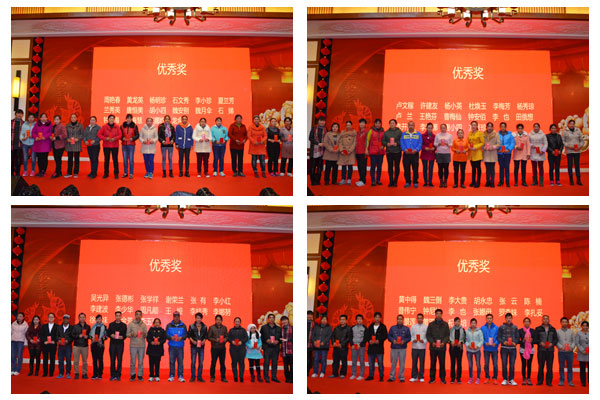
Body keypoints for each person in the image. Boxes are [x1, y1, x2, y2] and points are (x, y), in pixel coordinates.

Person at [426, 308, 449, 384]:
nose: (438, 315)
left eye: (439, 313)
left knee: (442, 363)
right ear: (435, 314)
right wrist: (432, 342)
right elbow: (428, 335)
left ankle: (442, 378)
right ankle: (432, 378)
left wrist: (444, 342)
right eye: (437, 313)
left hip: (442, 347)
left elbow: (447, 335)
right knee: (433, 363)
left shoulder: (445, 324)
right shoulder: (431, 324)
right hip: (433, 347)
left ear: (441, 314)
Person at [535, 315, 558, 386]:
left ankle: (549, 381)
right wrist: (540, 343)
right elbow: (535, 339)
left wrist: (552, 344)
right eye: (544, 319)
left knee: (549, 366)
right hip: (541, 350)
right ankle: (540, 381)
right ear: (542, 320)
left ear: (549, 320)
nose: (545, 320)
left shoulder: (553, 329)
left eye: (547, 319)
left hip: (550, 350)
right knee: (541, 366)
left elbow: (556, 339)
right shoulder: (538, 328)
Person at [387, 314, 411, 382]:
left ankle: (401, 377)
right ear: (396, 320)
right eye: (398, 319)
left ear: (403, 320)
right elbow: (389, 336)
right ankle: (392, 377)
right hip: (394, 348)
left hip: (402, 348)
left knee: (402, 363)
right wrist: (392, 340)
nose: (399, 320)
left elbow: (409, 337)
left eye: (401, 319)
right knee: (393, 363)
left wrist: (404, 341)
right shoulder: (392, 328)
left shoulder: (406, 328)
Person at [498, 312, 519, 386]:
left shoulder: (515, 327)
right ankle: (504, 379)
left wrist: (515, 342)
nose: (508, 319)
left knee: (512, 365)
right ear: (505, 319)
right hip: (504, 348)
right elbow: (498, 337)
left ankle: (511, 379)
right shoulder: (501, 327)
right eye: (507, 318)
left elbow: (517, 337)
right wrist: (503, 341)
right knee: (504, 364)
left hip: (513, 348)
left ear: (512, 319)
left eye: (510, 318)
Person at [98, 114, 122, 179]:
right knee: (106, 160)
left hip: (115, 145)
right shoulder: (104, 126)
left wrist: (115, 138)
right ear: (108, 119)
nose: (111, 120)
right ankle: (106, 173)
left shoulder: (117, 126)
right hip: (106, 145)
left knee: (115, 160)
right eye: (110, 118)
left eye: (112, 118)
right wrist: (105, 138)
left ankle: (116, 173)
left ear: (114, 119)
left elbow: (120, 135)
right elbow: (99, 134)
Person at [365, 311, 387, 382]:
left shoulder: (383, 327)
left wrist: (379, 340)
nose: (377, 319)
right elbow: (367, 335)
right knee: (371, 363)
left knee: (380, 363)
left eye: (378, 317)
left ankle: (381, 376)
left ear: (380, 318)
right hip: (371, 348)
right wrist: (369, 340)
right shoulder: (370, 326)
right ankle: (371, 376)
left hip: (379, 348)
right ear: (374, 318)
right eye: (376, 317)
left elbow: (385, 336)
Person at [261, 313, 282, 383]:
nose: (271, 319)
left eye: (273, 317)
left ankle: (274, 377)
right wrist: (266, 340)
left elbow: (281, 337)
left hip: (275, 348)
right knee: (266, 362)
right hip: (267, 348)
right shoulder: (263, 327)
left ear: (274, 319)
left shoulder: (278, 328)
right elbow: (261, 337)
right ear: (268, 319)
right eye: (270, 317)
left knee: (275, 363)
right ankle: (266, 377)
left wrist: (278, 341)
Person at [165, 311, 187, 382]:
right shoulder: (169, 325)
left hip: (180, 346)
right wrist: (171, 337)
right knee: (172, 361)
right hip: (172, 346)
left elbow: (186, 335)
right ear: (173, 317)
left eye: (177, 316)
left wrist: (181, 337)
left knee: (180, 362)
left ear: (179, 317)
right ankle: (172, 375)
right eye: (175, 316)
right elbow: (166, 335)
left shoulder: (183, 325)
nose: (176, 318)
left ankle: (180, 376)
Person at [127, 310, 147, 381]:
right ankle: (132, 375)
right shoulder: (131, 324)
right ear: (135, 315)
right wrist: (132, 334)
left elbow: (146, 335)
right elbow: (127, 334)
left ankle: (140, 375)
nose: (138, 316)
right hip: (133, 345)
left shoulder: (144, 325)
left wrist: (144, 334)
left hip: (141, 346)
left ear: (141, 316)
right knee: (133, 361)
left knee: (140, 362)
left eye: (139, 315)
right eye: (137, 314)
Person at [563, 119, 584, 185]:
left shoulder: (578, 130)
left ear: (574, 124)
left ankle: (578, 180)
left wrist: (579, 146)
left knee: (577, 165)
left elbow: (582, 140)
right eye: (570, 124)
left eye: (573, 124)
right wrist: (568, 146)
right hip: (569, 151)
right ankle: (571, 180)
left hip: (577, 151)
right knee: (570, 165)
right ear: (568, 124)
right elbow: (563, 141)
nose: (572, 125)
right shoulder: (565, 131)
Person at [401, 120, 422, 188]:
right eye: (409, 125)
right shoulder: (404, 134)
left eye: (412, 125)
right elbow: (402, 143)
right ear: (407, 126)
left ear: (414, 126)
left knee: (415, 168)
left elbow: (420, 143)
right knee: (406, 168)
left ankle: (415, 182)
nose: (411, 126)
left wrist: (416, 150)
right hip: (406, 154)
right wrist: (404, 149)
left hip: (414, 154)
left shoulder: (418, 134)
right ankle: (408, 182)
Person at [107, 310, 127, 381]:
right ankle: (112, 375)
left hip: (120, 344)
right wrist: (111, 335)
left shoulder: (124, 325)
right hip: (112, 344)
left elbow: (125, 334)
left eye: (119, 316)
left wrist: (122, 337)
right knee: (112, 360)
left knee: (119, 360)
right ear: (115, 316)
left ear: (121, 316)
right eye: (117, 316)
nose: (118, 317)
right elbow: (108, 333)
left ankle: (118, 375)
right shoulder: (111, 324)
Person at [207, 314, 228, 382]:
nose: (218, 321)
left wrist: (225, 339)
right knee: (213, 363)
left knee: (222, 363)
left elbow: (227, 336)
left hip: (222, 348)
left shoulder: (224, 328)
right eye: (217, 320)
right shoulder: (211, 327)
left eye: (220, 320)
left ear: (222, 321)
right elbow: (208, 337)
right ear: (215, 320)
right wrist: (215, 340)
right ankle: (212, 377)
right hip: (214, 348)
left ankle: (223, 377)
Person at [330, 314, 352, 378]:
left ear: (346, 320)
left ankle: (343, 374)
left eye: (343, 319)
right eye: (341, 319)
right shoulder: (336, 328)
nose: (342, 321)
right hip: (336, 347)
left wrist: (342, 344)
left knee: (344, 361)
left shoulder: (348, 329)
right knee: (335, 361)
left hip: (343, 348)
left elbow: (349, 338)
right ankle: (335, 373)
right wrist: (333, 342)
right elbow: (333, 336)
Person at [188, 312, 207, 382]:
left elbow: (206, 336)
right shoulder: (191, 326)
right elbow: (188, 335)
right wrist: (192, 340)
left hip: (201, 347)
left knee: (201, 362)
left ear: (201, 319)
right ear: (195, 318)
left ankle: (199, 376)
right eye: (197, 318)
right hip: (193, 346)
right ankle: (193, 376)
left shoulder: (204, 327)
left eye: (200, 318)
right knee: (193, 362)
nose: (198, 319)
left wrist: (204, 340)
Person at [63, 113, 83, 178]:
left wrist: (78, 138)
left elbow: (82, 135)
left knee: (77, 159)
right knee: (70, 159)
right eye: (72, 117)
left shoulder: (80, 126)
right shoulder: (67, 125)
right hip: (69, 144)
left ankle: (76, 172)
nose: (73, 118)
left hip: (77, 144)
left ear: (76, 118)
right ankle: (69, 173)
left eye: (74, 117)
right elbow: (65, 134)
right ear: (70, 118)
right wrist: (67, 139)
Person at [383, 119, 402, 187]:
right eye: (391, 123)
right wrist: (386, 144)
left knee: (397, 166)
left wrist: (397, 143)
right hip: (389, 152)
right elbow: (383, 141)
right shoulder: (386, 132)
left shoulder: (399, 132)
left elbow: (402, 141)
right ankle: (391, 181)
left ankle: (395, 181)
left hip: (397, 151)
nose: (392, 124)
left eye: (393, 123)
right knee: (390, 167)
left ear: (396, 124)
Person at [71, 312, 90, 380]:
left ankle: (84, 373)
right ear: (78, 318)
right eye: (81, 317)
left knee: (84, 361)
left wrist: (87, 337)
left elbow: (90, 335)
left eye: (83, 317)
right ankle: (76, 373)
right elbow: (72, 335)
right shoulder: (75, 326)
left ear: (85, 318)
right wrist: (78, 336)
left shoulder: (88, 327)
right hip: (76, 346)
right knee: (76, 361)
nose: (82, 318)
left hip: (85, 346)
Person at [366, 119, 385, 186]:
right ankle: (373, 181)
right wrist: (366, 149)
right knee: (373, 167)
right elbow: (367, 140)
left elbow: (385, 141)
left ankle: (378, 180)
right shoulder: (371, 131)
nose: (378, 124)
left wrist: (383, 145)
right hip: (373, 152)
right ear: (374, 124)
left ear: (381, 124)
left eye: (379, 123)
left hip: (380, 152)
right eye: (376, 123)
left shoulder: (383, 132)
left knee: (379, 167)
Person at [228, 317, 248, 382]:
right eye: (236, 321)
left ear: (240, 322)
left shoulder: (243, 330)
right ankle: (235, 376)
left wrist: (241, 342)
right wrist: (232, 341)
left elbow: (246, 338)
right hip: (233, 348)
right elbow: (228, 338)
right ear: (234, 322)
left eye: (238, 321)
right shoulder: (231, 330)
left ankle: (241, 376)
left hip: (241, 348)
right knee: (234, 362)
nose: (237, 323)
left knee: (241, 362)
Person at [557, 316, 575, 386]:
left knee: (570, 367)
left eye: (566, 322)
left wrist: (572, 347)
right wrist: (561, 347)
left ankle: (570, 381)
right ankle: (561, 380)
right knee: (561, 367)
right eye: (563, 322)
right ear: (561, 323)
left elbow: (574, 341)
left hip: (569, 352)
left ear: (568, 323)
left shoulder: (571, 331)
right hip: (561, 352)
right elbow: (556, 341)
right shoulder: (558, 331)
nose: (564, 323)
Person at [481, 313, 499, 384]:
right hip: (486, 348)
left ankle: (495, 378)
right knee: (486, 364)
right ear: (486, 319)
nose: (489, 319)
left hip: (494, 348)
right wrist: (485, 342)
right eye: (488, 318)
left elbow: (499, 337)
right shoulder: (482, 328)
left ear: (492, 319)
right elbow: (481, 338)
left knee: (495, 364)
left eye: (490, 318)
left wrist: (496, 343)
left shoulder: (496, 328)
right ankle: (487, 377)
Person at [409, 313, 427, 382]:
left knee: (422, 363)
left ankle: (421, 376)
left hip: (422, 347)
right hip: (414, 347)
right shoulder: (413, 327)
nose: (419, 319)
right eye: (418, 318)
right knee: (414, 362)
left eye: (421, 318)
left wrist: (424, 341)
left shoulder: (426, 327)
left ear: (423, 319)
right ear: (416, 319)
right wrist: (413, 340)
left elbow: (427, 337)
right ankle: (414, 376)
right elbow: (410, 336)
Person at [528, 123, 548, 187]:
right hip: (533, 151)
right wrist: (531, 145)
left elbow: (546, 143)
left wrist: (543, 150)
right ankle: (535, 181)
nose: (536, 128)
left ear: (539, 127)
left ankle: (541, 181)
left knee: (541, 167)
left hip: (540, 152)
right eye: (535, 127)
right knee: (534, 167)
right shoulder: (530, 134)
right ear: (533, 127)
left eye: (537, 127)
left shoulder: (543, 134)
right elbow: (528, 142)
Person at [120, 113, 139, 178]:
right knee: (125, 159)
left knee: (131, 159)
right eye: (128, 118)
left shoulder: (134, 126)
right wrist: (122, 138)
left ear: (131, 119)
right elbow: (120, 135)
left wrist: (133, 138)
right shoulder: (122, 126)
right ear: (126, 119)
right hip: (124, 145)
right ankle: (125, 172)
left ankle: (131, 173)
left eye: (130, 118)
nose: (129, 119)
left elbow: (137, 135)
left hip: (131, 145)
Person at [338, 121, 357, 185]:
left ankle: (349, 179)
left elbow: (355, 142)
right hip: (343, 151)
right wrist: (341, 150)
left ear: (351, 126)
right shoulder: (342, 132)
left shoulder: (354, 133)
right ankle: (343, 179)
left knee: (350, 166)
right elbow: (340, 142)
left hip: (350, 152)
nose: (348, 126)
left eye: (349, 125)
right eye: (347, 125)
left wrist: (350, 150)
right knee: (343, 166)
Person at [465, 317, 483, 384]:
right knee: (470, 365)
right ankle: (471, 378)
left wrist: (477, 346)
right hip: (469, 350)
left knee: (478, 364)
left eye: (474, 323)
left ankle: (478, 378)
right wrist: (468, 345)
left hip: (477, 350)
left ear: (476, 324)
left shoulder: (479, 331)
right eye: (472, 323)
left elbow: (481, 340)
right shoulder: (467, 331)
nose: (473, 324)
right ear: (470, 324)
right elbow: (465, 340)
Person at [496, 122, 514, 187]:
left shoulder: (510, 134)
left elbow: (512, 143)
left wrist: (508, 149)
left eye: (504, 126)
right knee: (501, 167)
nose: (503, 128)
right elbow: (495, 143)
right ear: (500, 127)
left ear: (506, 127)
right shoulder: (497, 134)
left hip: (507, 153)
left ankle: (507, 181)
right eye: (501, 126)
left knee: (507, 167)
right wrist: (498, 149)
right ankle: (501, 181)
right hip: (500, 153)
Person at [89, 314, 107, 380]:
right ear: (95, 320)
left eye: (99, 319)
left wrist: (101, 339)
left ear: (101, 320)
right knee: (94, 360)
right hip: (94, 345)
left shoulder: (104, 327)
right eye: (97, 319)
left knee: (100, 360)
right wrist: (92, 338)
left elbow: (106, 336)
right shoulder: (93, 327)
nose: (98, 320)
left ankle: (100, 374)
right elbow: (89, 336)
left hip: (100, 345)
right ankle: (94, 374)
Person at [448, 317, 465, 384]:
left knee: (459, 363)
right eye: (456, 321)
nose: (457, 323)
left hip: (459, 349)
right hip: (452, 349)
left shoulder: (462, 330)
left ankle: (458, 378)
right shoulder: (450, 330)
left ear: (460, 322)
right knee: (452, 363)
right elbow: (447, 339)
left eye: (458, 321)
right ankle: (452, 378)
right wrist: (450, 342)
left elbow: (465, 339)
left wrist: (461, 342)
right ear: (454, 322)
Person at [41, 312, 59, 377]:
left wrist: (54, 341)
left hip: (53, 345)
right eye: (49, 317)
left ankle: (51, 373)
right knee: (45, 359)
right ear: (48, 318)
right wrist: (44, 341)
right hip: (45, 345)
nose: (51, 318)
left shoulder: (57, 326)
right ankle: (45, 372)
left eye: (52, 317)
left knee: (52, 359)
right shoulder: (44, 326)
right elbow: (42, 335)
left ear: (54, 318)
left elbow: (58, 335)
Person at [350, 314, 367, 380]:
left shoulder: (364, 328)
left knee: (362, 361)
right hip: (354, 346)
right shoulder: (352, 328)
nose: (359, 320)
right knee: (354, 361)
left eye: (360, 319)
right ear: (356, 320)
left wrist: (361, 344)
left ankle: (361, 375)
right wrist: (352, 344)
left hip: (361, 347)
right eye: (358, 319)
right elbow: (350, 337)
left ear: (362, 320)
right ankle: (354, 374)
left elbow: (365, 338)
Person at [482, 122, 500, 188]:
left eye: (490, 126)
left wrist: (492, 147)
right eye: (488, 126)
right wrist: (483, 147)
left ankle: (492, 182)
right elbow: (481, 143)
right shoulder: (483, 134)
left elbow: (498, 144)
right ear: (486, 127)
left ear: (493, 127)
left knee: (492, 169)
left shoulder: (496, 134)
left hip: (493, 153)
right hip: (486, 153)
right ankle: (487, 181)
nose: (489, 128)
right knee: (487, 169)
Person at [467, 121, 484, 187]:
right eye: (472, 125)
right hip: (471, 153)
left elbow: (482, 142)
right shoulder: (469, 133)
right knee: (473, 168)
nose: (473, 126)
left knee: (478, 168)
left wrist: (475, 147)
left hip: (477, 153)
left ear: (477, 126)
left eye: (474, 125)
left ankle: (478, 182)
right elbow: (467, 142)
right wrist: (468, 146)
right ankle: (473, 181)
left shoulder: (480, 133)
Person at [56, 314, 73, 379]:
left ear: (69, 320)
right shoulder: (59, 327)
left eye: (67, 319)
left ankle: (68, 373)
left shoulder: (71, 328)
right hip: (60, 346)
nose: (65, 320)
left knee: (68, 360)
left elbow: (72, 336)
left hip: (68, 346)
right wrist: (59, 340)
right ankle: (61, 373)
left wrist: (68, 340)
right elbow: (56, 335)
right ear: (63, 319)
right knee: (60, 360)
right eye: (64, 319)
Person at [11, 311, 28, 375]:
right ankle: (13, 369)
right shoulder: (13, 324)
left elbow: (26, 334)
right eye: (18, 316)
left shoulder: (25, 325)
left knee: (19, 356)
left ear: (23, 317)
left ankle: (18, 369)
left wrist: (26, 343)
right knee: (13, 356)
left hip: (21, 341)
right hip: (13, 341)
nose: (19, 317)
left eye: (20, 316)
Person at [518, 317, 535, 385]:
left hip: (530, 349)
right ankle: (524, 378)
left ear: (530, 323)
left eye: (528, 321)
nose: (526, 323)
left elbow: (536, 340)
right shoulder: (520, 331)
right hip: (523, 349)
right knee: (523, 364)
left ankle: (529, 378)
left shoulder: (533, 331)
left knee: (529, 364)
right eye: (525, 321)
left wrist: (532, 340)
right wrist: (523, 340)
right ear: (523, 323)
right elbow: (517, 341)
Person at [420, 122, 436, 186]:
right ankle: (425, 182)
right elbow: (420, 144)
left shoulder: (434, 136)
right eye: (428, 128)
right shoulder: (422, 135)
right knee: (425, 168)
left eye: (431, 128)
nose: (429, 129)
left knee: (431, 169)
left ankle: (430, 182)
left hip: (431, 154)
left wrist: (434, 148)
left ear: (432, 128)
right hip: (425, 153)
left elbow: (436, 145)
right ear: (426, 128)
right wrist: (425, 148)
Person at [355, 118, 369, 187]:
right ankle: (360, 179)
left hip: (363, 151)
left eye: (363, 123)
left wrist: (367, 149)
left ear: (365, 124)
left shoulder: (367, 131)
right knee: (359, 166)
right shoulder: (358, 132)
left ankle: (363, 180)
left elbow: (368, 141)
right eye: (360, 123)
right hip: (357, 151)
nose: (361, 124)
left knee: (363, 166)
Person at [575, 320, 589, 387]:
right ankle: (583, 382)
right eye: (583, 326)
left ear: (588, 326)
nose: (585, 327)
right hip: (582, 353)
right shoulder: (578, 333)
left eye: (586, 326)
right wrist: (582, 350)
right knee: (582, 368)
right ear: (581, 326)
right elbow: (577, 343)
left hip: (590, 353)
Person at [11, 109, 24, 176]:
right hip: (11, 143)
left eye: (21, 113)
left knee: (18, 160)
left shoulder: (24, 123)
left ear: (22, 115)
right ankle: (11, 172)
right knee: (11, 159)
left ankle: (18, 172)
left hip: (20, 144)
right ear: (15, 114)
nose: (19, 115)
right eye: (18, 113)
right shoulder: (11, 122)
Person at [281, 315, 293, 383]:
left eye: (285, 320)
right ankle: (287, 378)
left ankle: (292, 378)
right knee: (285, 366)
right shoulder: (280, 329)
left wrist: (287, 340)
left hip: (291, 350)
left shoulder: (292, 328)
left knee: (292, 365)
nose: (284, 321)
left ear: (288, 320)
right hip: (283, 350)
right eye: (283, 320)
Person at [307, 310, 315, 376]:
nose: (309, 317)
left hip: (310, 344)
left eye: (310, 316)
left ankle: (307, 371)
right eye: (308, 316)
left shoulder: (314, 324)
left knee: (308, 358)